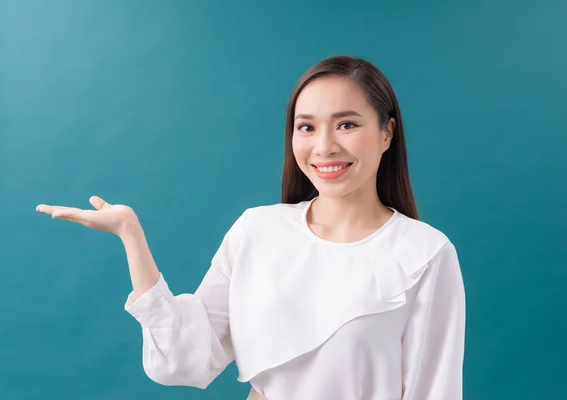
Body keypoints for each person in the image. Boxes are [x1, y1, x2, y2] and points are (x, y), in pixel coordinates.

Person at [36, 55, 466, 400]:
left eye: (347, 124)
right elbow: (186, 359)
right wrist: (131, 234)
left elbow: (435, 390)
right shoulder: (257, 230)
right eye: (307, 127)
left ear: (387, 133)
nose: (324, 146)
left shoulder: (424, 254)